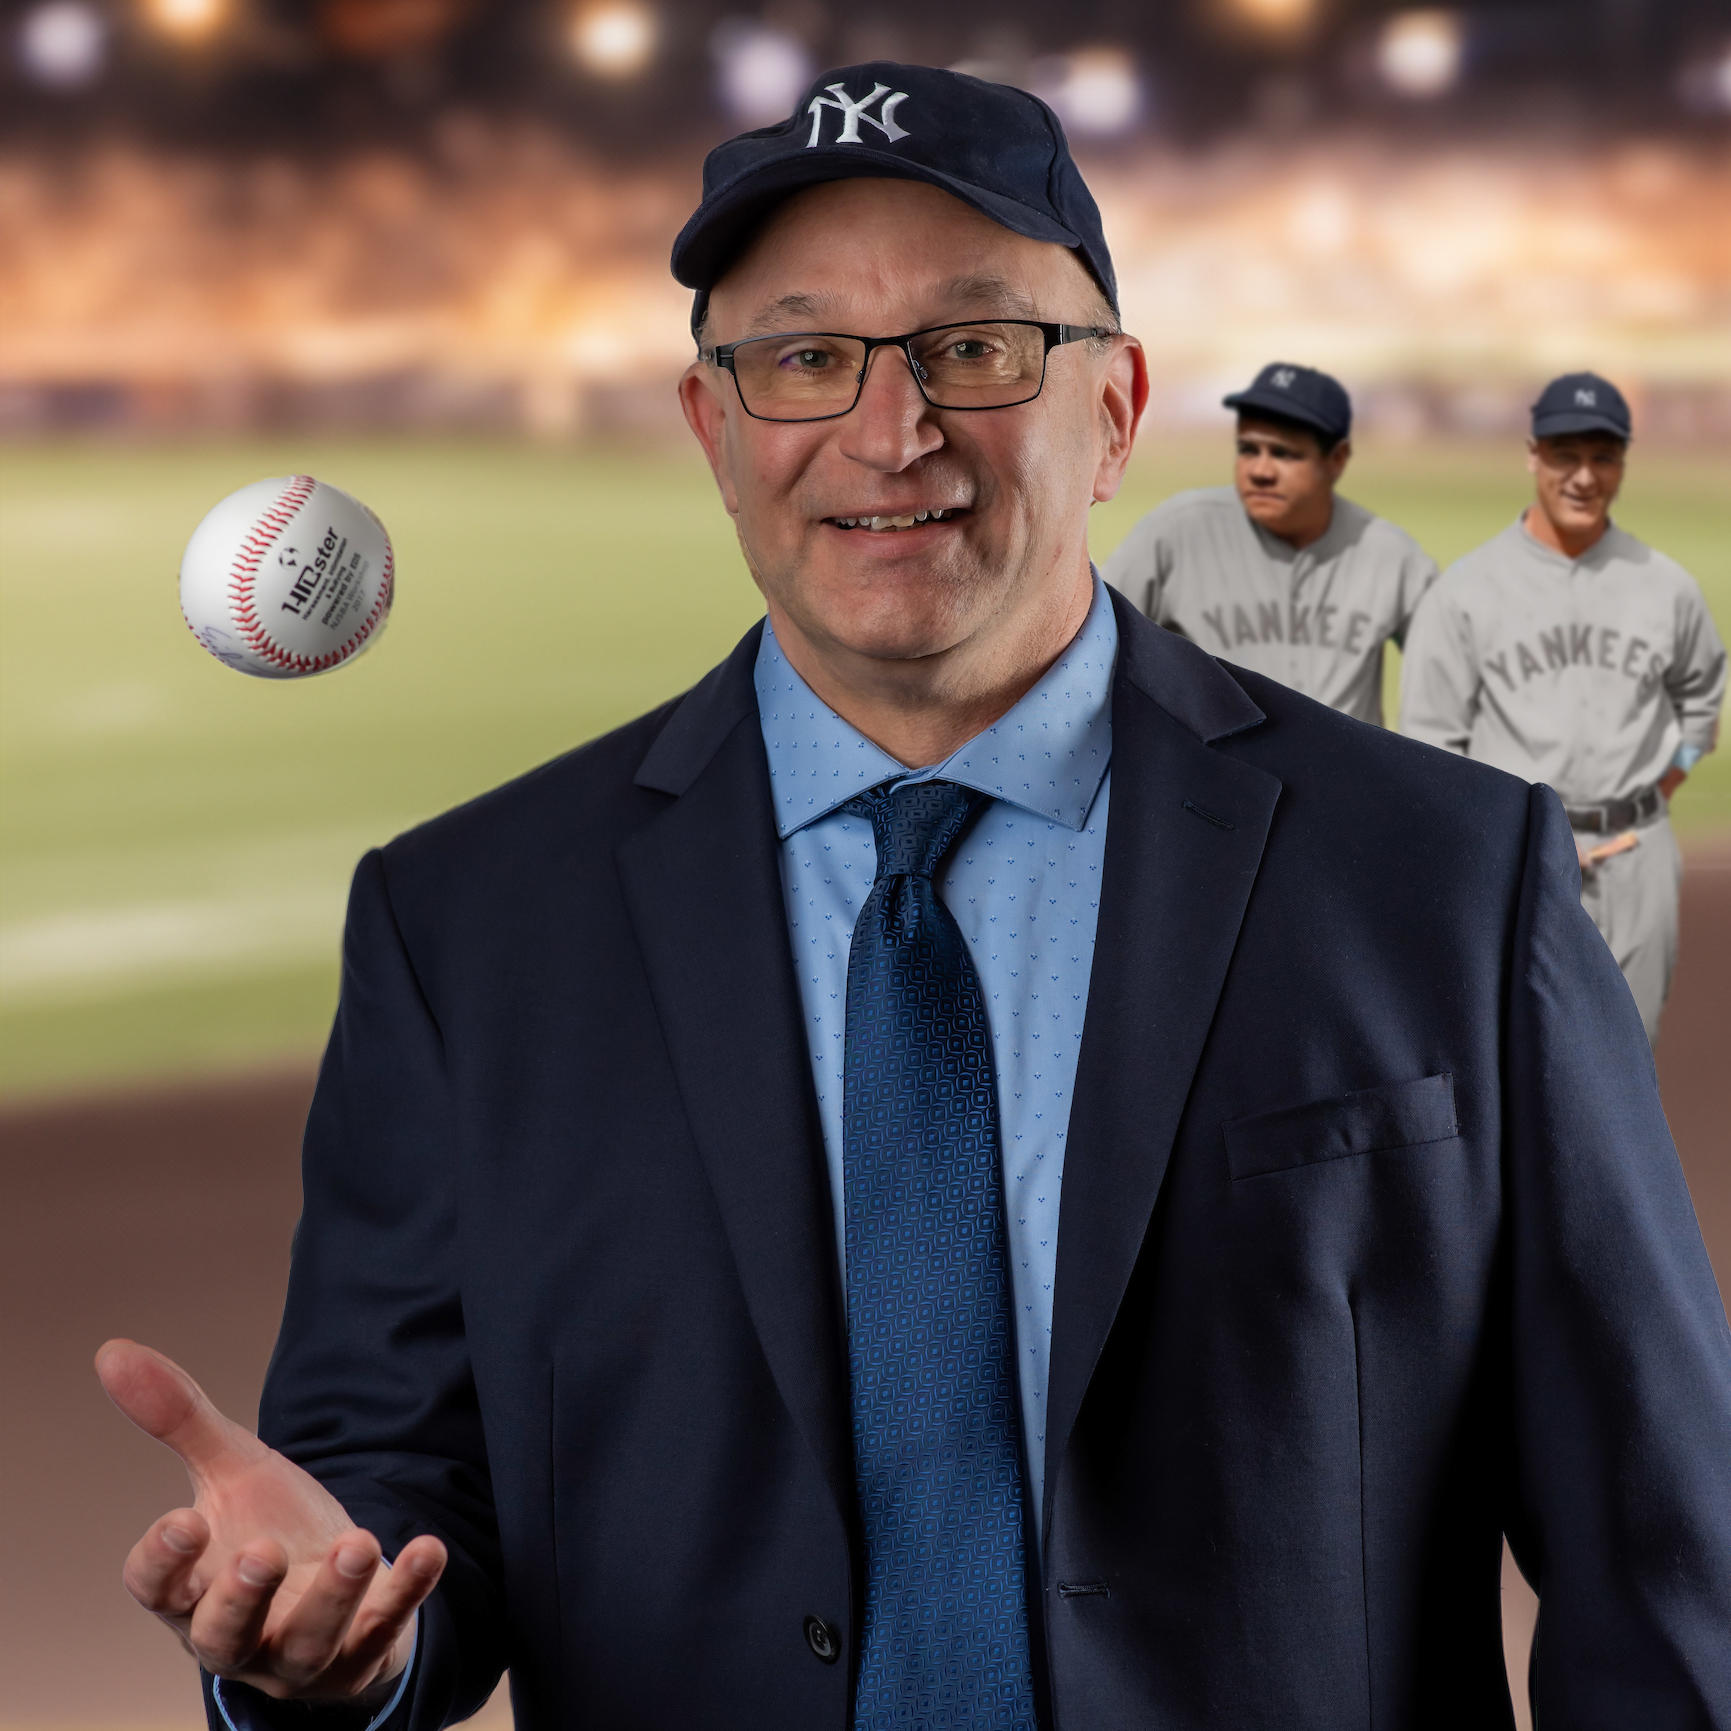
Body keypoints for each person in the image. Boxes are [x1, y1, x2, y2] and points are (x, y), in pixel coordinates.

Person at [99, 66, 1731, 1731]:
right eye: (804, 358)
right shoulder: (468, 931)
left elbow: (1668, 1567)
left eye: (975, 348)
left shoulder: (1444, 877)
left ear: (1113, 411)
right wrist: (335, 1637)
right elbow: (389, 1491)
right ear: (712, 431)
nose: (893, 434)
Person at [1401, 372, 1726, 1044]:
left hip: (1637, 858)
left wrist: (1660, 789)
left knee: (1628, 1065)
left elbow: (1699, 708)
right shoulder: (1464, 593)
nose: (1582, 476)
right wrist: (1517, 842)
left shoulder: (1665, 587)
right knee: (1518, 1060)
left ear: (1621, 464)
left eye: (1600, 457)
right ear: (1531, 455)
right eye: (1562, 455)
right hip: (1516, 861)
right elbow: (1432, 754)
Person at [1101, 362, 1437, 725]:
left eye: (1284, 454)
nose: (1260, 471)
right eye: (1248, 449)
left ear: (1335, 460)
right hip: (1215, 772)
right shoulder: (1177, 533)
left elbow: (1460, 665)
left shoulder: (1388, 554)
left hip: (1345, 776)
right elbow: (1097, 642)